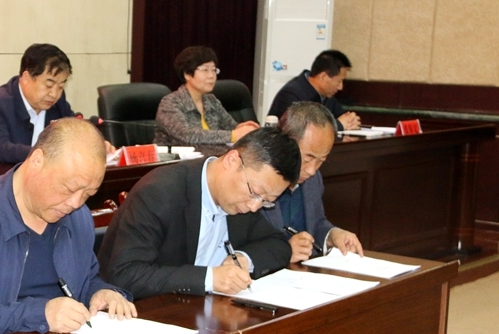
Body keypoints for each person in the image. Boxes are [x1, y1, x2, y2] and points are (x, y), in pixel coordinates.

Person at [0, 118, 135, 334]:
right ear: (37, 161)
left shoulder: (78, 217)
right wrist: (40, 314)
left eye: (88, 194)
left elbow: (85, 280)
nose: (75, 203)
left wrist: (101, 293)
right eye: (69, 189)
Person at [98, 127, 300, 300]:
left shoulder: (244, 200)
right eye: (255, 193)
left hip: (207, 311)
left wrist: (243, 259)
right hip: (150, 313)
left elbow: (278, 244)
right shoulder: (160, 192)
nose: (255, 206)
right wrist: (210, 278)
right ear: (231, 161)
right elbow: (126, 275)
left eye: (266, 201)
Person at [0, 43, 114, 164]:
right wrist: (48, 153)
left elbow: (74, 132)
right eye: (49, 85)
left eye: (60, 87)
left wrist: (95, 145)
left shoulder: (58, 102)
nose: (54, 94)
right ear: (26, 78)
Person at [262, 102, 363, 263]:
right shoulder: (257, 181)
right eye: (308, 159)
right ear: (285, 143)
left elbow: (315, 223)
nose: (312, 170)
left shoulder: (313, 180)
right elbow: (239, 246)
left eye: (321, 161)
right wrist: (284, 251)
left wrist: (332, 235)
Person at [154, 45, 260, 148]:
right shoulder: (171, 102)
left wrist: (243, 128)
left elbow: (230, 127)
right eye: (205, 70)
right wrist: (234, 135)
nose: (211, 76)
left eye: (214, 70)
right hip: (180, 159)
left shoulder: (211, 100)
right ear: (187, 74)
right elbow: (186, 135)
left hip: (216, 157)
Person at [267, 49, 361, 131]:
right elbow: (298, 129)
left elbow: (342, 117)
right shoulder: (291, 93)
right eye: (339, 81)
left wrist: (351, 120)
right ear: (323, 77)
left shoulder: (327, 95)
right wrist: (338, 125)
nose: (341, 87)